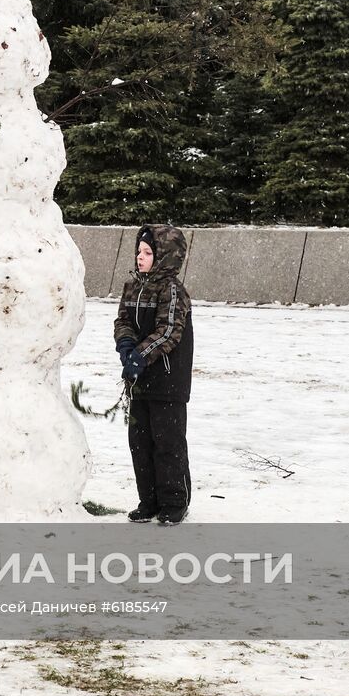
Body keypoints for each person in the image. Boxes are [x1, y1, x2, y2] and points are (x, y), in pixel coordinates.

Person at [114, 225, 194, 526]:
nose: (140, 258)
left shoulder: (173, 290)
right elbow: (123, 319)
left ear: (164, 256)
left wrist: (140, 355)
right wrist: (125, 344)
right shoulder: (133, 286)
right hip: (140, 380)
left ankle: (175, 502)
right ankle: (148, 500)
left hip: (168, 380)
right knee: (140, 442)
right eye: (139, 252)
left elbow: (169, 331)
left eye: (148, 253)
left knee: (168, 443)